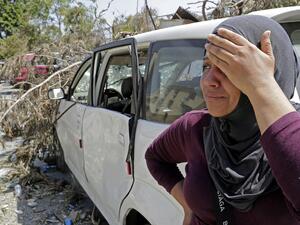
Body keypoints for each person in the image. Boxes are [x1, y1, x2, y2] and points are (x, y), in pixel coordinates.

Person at [145, 15, 300, 225]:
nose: (207, 81)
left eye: (228, 67)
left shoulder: (291, 139)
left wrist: (262, 87)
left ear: (271, 76)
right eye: (206, 66)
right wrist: (189, 207)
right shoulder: (197, 128)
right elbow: (155, 158)